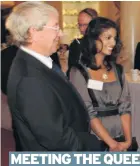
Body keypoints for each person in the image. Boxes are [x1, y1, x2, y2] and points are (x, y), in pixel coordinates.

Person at [6, 2, 101, 151]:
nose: (61, 33)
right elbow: (57, 139)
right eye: (56, 27)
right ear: (33, 33)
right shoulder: (30, 80)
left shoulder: (37, 61)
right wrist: (93, 146)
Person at [70, 17, 133, 151]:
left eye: (115, 38)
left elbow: (125, 107)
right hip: (94, 140)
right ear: (94, 39)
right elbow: (88, 112)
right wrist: (111, 143)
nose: (113, 42)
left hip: (120, 138)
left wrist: (127, 140)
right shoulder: (78, 72)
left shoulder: (118, 70)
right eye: (108, 37)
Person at [68, 8, 98, 75]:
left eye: (85, 25)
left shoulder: (104, 44)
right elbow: (72, 72)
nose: (81, 29)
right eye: (80, 25)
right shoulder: (76, 45)